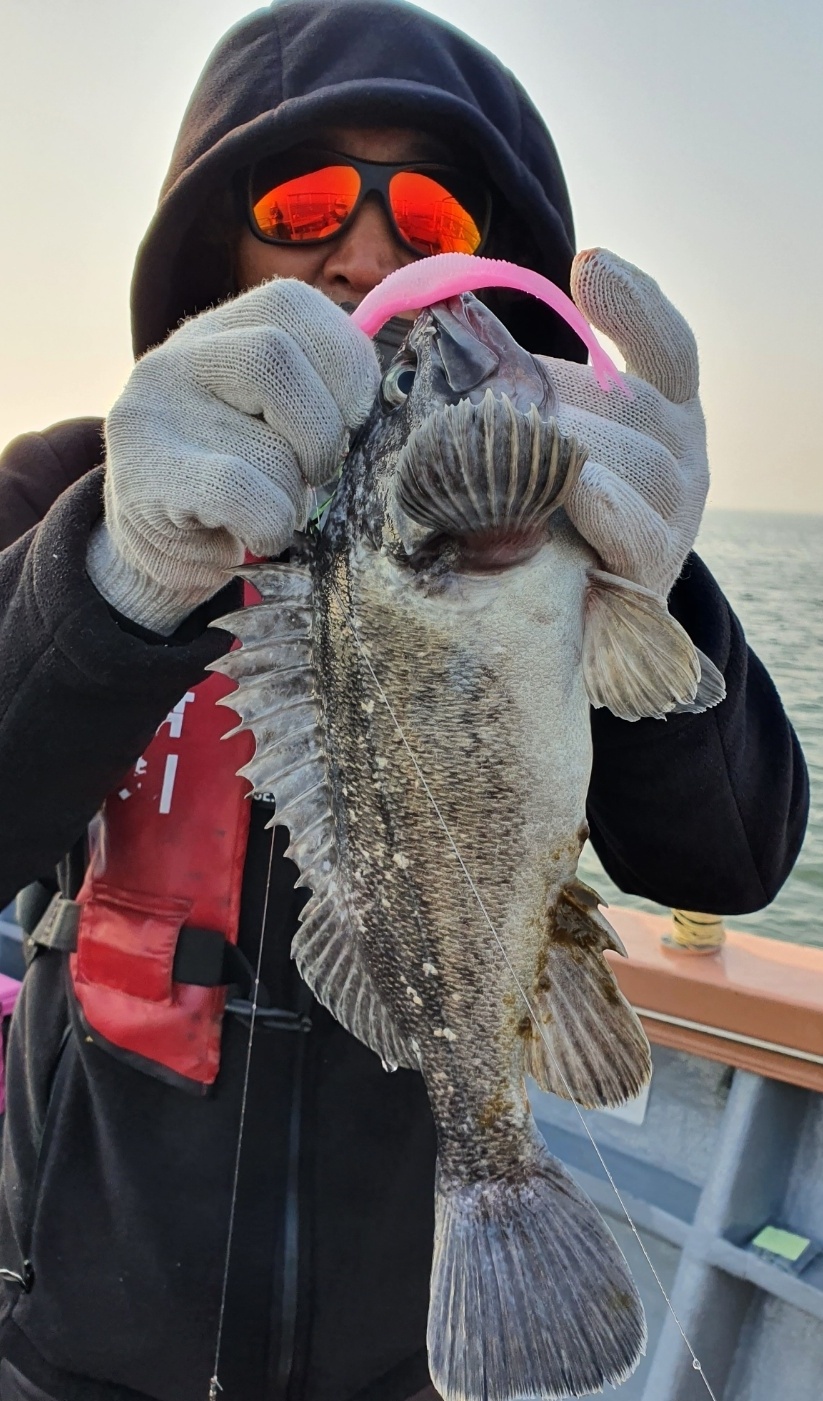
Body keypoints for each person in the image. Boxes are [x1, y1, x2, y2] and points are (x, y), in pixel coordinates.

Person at [0, 2, 808, 1399]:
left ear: (495, 269)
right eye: (304, 201)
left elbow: (732, 864)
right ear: (215, 242)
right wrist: (116, 572)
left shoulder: (556, 539)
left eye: (429, 216)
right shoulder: (67, 491)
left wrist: (658, 587)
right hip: (66, 1341)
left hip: (390, 1352)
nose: (365, 253)